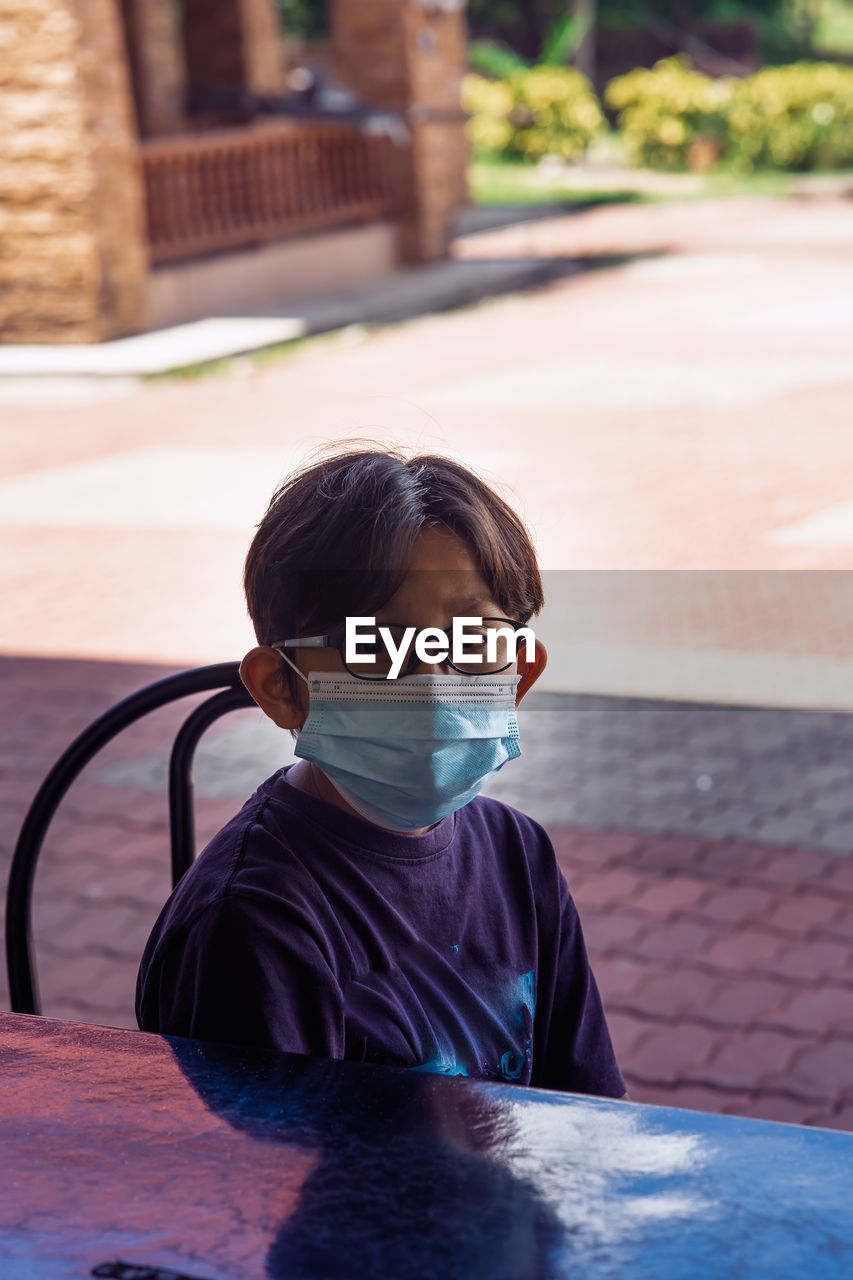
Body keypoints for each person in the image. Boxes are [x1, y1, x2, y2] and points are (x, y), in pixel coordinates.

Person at [136, 447, 626, 1098]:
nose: (430, 685)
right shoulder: (253, 923)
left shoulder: (519, 854)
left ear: (517, 674)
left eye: (472, 643)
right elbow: (267, 1189)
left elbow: (590, 1113)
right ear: (281, 686)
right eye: (378, 649)